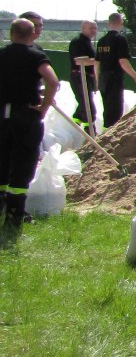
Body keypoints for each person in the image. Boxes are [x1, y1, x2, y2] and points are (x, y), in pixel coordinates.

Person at [0, 19, 59, 237]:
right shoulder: (36, 57)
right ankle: (14, 217)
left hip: (2, 115)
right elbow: (52, 81)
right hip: (26, 115)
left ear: (11, 33)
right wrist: (43, 109)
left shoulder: (2, 54)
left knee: (2, 161)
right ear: (33, 34)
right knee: (23, 163)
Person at [95, 13, 136, 129]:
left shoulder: (101, 41)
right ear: (121, 23)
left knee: (107, 109)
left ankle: (104, 134)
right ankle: (109, 139)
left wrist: (97, 81)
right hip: (114, 79)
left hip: (103, 78)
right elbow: (123, 62)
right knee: (115, 111)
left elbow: (97, 63)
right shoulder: (120, 39)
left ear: (108, 24)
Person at [68, 20, 98, 129]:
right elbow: (78, 61)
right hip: (79, 77)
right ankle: (90, 133)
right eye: (91, 28)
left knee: (84, 105)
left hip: (86, 78)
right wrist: (98, 61)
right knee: (88, 108)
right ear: (83, 28)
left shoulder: (87, 42)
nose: (94, 31)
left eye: (95, 28)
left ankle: (74, 124)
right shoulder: (78, 42)